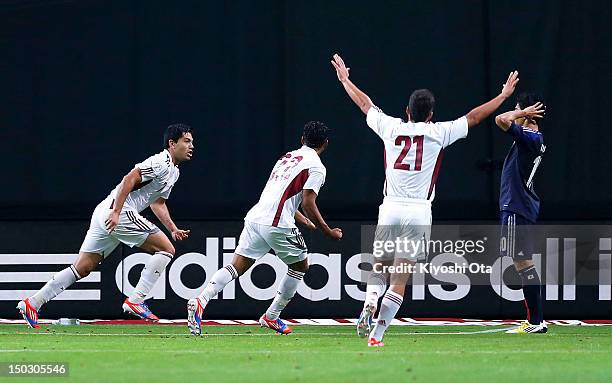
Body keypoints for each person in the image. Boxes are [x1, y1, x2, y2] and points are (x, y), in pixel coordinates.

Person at [330, 53, 518, 346]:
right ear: (431, 114)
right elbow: (475, 117)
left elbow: (365, 104)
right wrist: (503, 95)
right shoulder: (438, 132)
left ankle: (368, 302)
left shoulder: (391, 127)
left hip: (390, 206)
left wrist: (346, 80)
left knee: (380, 265)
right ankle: (377, 336)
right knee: (400, 276)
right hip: (418, 211)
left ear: (407, 110)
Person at [17, 124, 194, 327]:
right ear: (172, 144)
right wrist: (117, 212)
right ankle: (136, 300)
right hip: (119, 211)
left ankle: (32, 303)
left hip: (105, 211)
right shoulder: (161, 161)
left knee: (83, 267)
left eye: (191, 142)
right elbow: (129, 179)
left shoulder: (174, 172)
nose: (191, 146)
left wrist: (172, 228)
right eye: (187, 141)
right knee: (166, 249)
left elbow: (158, 203)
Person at [187, 121, 342, 336]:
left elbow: (278, 193)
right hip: (277, 223)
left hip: (256, 217)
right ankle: (272, 316)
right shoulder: (317, 166)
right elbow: (308, 202)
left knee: (237, 267)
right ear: (326, 143)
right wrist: (328, 231)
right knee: (300, 266)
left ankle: (200, 299)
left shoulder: (287, 157)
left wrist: (299, 218)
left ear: (302, 139)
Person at [494, 93, 547, 334]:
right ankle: (535, 321)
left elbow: (501, 119)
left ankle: (535, 322)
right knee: (522, 261)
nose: (515, 114)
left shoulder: (530, 137)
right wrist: (521, 113)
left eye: (519, 110)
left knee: (523, 262)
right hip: (518, 204)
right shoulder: (530, 137)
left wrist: (521, 113)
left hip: (517, 204)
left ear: (529, 113)